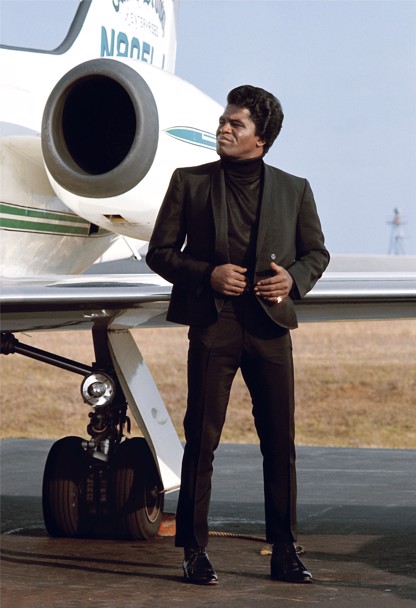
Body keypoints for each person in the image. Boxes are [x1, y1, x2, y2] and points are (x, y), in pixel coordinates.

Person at [146, 85, 330, 586]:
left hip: (270, 328)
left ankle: (285, 550)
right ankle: (194, 550)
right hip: (214, 325)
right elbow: (160, 253)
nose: (224, 129)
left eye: (236, 125)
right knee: (201, 441)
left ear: (261, 139)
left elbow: (317, 253)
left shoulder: (295, 189)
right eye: (224, 121)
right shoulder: (190, 182)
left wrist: (293, 279)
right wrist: (207, 273)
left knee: (280, 442)